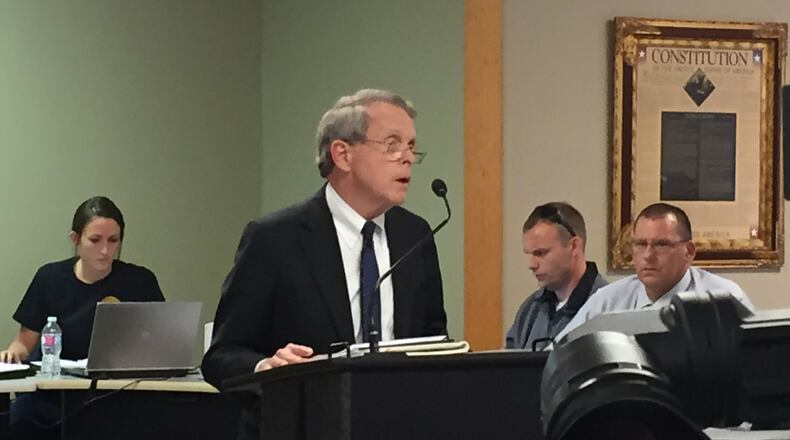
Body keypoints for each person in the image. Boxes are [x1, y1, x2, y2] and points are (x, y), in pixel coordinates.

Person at [202, 89, 447, 440]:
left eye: (411, 146)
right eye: (393, 143)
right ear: (342, 154)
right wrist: (266, 367)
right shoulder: (274, 239)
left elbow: (432, 339)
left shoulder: (415, 235)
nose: (407, 157)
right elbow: (222, 355)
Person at [2, 196, 165, 439]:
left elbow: (161, 341)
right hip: (55, 397)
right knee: (20, 421)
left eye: (113, 241)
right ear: (75, 239)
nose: (105, 250)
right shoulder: (50, 278)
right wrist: (12, 353)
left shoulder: (140, 281)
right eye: (95, 240)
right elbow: (24, 342)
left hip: (116, 395)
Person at [556, 202, 753, 342]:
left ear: (689, 252)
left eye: (661, 245)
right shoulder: (608, 301)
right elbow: (554, 353)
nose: (648, 255)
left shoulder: (723, 299)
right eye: (640, 244)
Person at [506, 202, 607, 350]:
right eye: (529, 254)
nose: (531, 264)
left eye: (540, 253)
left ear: (574, 246)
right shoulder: (531, 308)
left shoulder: (608, 308)